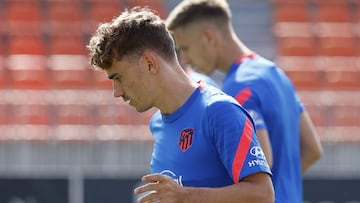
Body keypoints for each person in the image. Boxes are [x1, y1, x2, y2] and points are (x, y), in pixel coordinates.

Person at [87, 7, 274, 203]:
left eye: (119, 77)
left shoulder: (220, 111)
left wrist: (186, 196)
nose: (117, 92)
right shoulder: (158, 123)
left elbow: (262, 194)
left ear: (149, 63)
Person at [166, 0, 323, 202]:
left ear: (208, 37)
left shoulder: (239, 87)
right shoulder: (276, 74)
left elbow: (259, 165)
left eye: (186, 48)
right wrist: (283, 189)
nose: (185, 60)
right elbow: (312, 149)